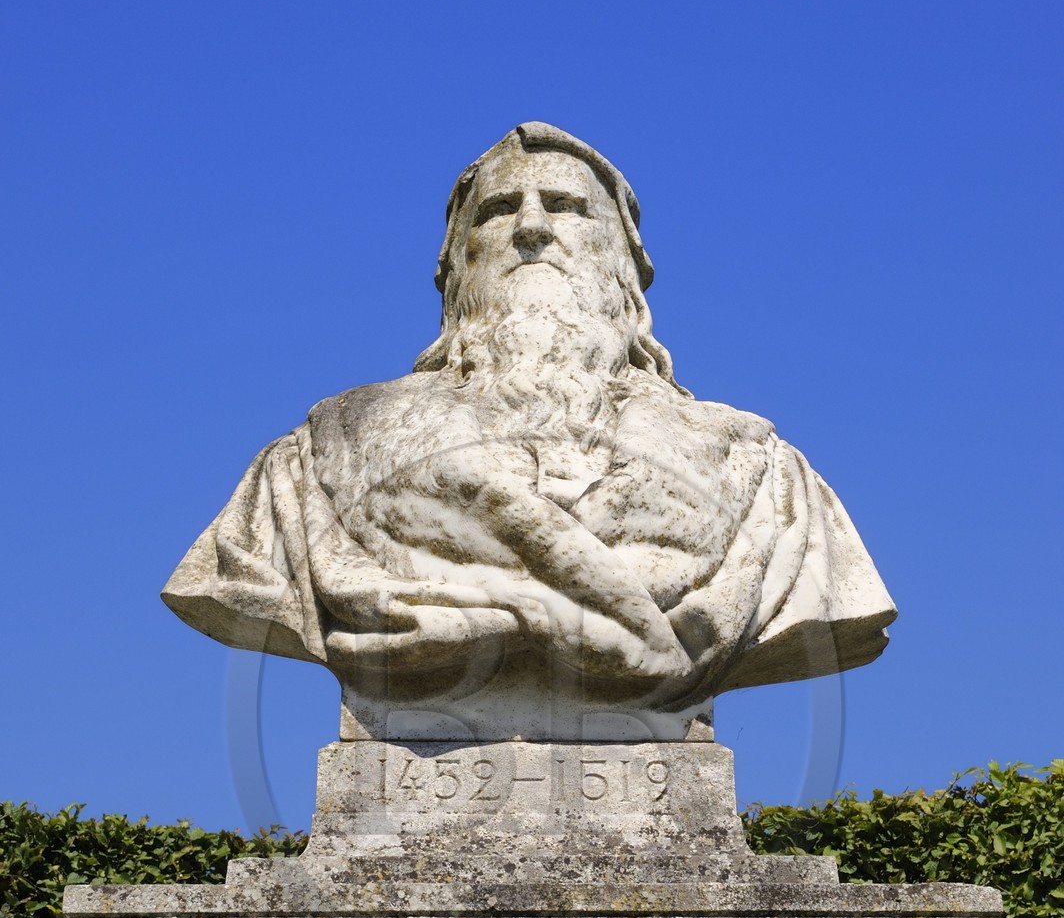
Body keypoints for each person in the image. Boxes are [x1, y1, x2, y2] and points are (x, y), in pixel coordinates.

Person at [163, 123, 896, 739]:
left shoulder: (762, 472)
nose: (533, 229)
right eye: (499, 210)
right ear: (456, 263)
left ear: (624, 262)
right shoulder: (318, 456)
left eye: (568, 208)